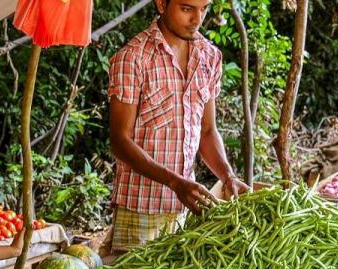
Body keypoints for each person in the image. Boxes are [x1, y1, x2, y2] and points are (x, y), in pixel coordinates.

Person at [106, 0, 249, 253]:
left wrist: (228, 177)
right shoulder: (133, 57)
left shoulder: (209, 57)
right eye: (187, 9)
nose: (197, 19)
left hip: (184, 210)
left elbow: (206, 131)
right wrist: (175, 183)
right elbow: (120, 140)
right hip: (140, 208)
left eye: (204, 9)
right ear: (161, 4)